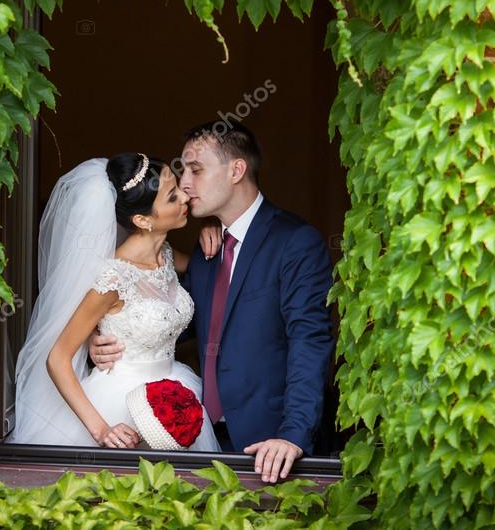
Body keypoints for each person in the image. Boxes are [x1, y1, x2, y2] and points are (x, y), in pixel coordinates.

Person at [91, 121, 334, 482]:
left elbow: (310, 342)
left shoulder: (295, 242)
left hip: (268, 447)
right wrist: (112, 342)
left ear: (237, 170)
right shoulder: (208, 250)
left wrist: (292, 436)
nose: (185, 184)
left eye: (196, 169)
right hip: (199, 436)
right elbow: (183, 321)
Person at [9, 154, 220, 451]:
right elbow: (57, 358)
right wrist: (101, 429)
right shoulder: (113, 278)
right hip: (119, 404)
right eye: (172, 197)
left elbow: (209, 264)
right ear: (143, 220)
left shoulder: (168, 255)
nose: (185, 196)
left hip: (175, 394)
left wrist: (214, 227)